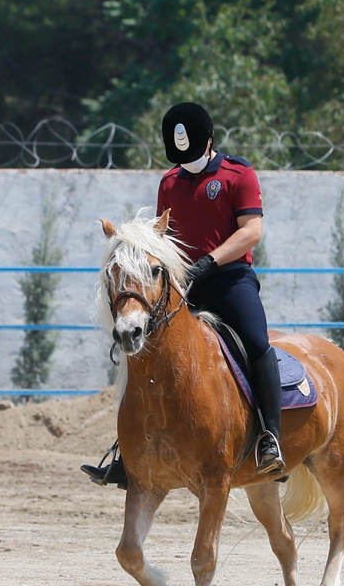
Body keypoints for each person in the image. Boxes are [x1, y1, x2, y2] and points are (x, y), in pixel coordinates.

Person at [82, 102, 284, 488]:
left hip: (230, 280)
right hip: (179, 287)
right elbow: (160, 236)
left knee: (257, 342)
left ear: (209, 140)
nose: (185, 160)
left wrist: (210, 261)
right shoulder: (169, 182)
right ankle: (128, 451)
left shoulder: (238, 174)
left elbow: (251, 231)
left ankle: (269, 438)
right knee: (143, 351)